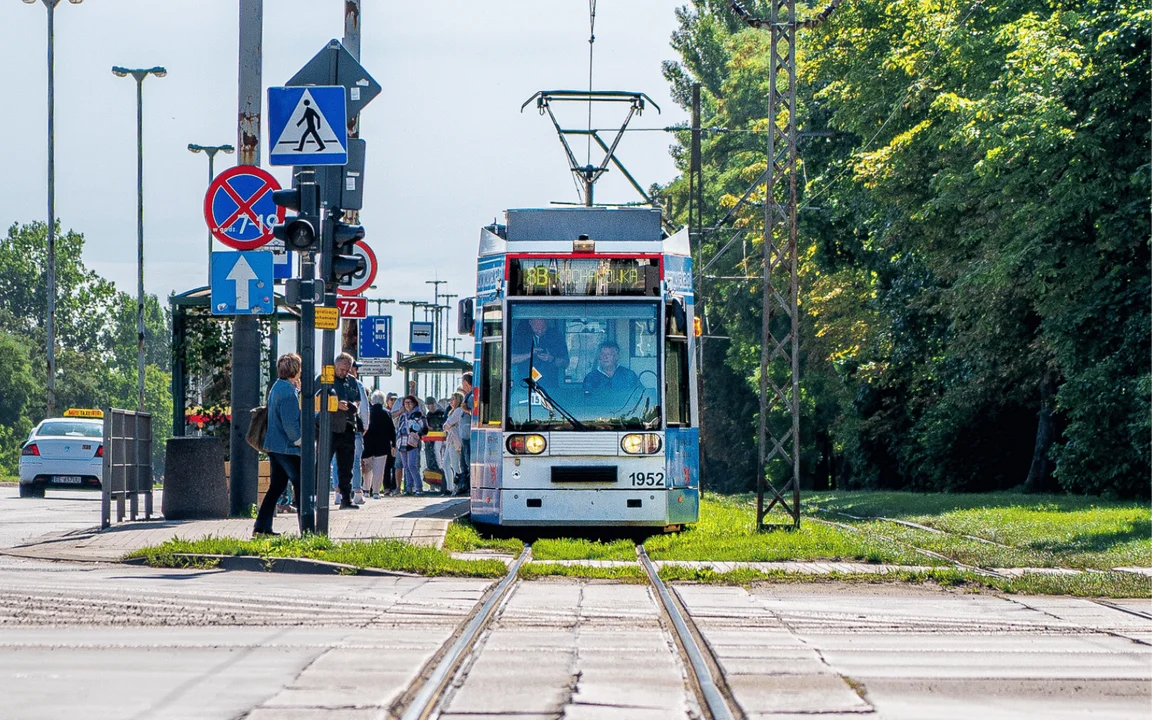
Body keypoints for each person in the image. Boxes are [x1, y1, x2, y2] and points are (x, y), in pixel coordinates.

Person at [255, 353, 302, 537]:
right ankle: (306, 528)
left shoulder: (278, 387)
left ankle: (262, 526)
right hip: (287, 448)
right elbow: (290, 423)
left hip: (273, 445)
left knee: (276, 486)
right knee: (300, 484)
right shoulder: (288, 392)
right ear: (295, 369)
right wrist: (300, 441)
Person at [325, 353, 361, 510]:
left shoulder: (352, 381)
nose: (344, 372)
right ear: (335, 365)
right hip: (330, 427)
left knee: (346, 465)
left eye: (347, 370)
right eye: (341, 369)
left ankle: (346, 499)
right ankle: (312, 497)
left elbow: (357, 400)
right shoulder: (326, 378)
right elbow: (318, 399)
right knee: (322, 463)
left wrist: (352, 405)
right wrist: (335, 404)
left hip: (348, 427)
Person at [332, 361, 370, 505]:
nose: (354, 370)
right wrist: (365, 426)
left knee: (337, 461)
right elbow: (364, 408)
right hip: (353, 427)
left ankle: (337, 492)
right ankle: (357, 492)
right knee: (354, 460)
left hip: (335, 426)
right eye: (355, 368)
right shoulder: (357, 384)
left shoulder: (332, 382)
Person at [510, 318, 569, 388]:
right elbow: (509, 360)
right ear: (530, 322)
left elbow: (566, 364)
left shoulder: (556, 336)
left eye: (543, 329)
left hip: (550, 387)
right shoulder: (520, 336)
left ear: (547, 321)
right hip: (523, 386)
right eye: (537, 329)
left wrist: (551, 359)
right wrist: (529, 354)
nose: (540, 331)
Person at [361, 390, 395, 499]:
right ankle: (376, 492)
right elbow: (391, 430)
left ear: (372, 400)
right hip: (382, 446)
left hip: (367, 445)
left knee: (367, 469)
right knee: (379, 470)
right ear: (383, 401)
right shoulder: (387, 413)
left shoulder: (368, 412)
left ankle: (366, 490)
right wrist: (393, 444)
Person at [396, 395, 426, 495]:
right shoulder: (403, 415)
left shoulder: (418, 414)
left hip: (412, 443)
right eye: (406, 403)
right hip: (402, 443)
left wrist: (417, 433)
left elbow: (424, 429)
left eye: (410, 403)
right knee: (406, 466)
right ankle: (408, 488)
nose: (408, 405)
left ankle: (418, 487)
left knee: (412, 465)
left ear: (414, 403)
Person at [441, 392, 466, 496]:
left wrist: (447, 425)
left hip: (455, 441)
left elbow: (447, 424)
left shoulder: (459, 411)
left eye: (453, 399)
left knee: (455, 465)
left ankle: (457, 487)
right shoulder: (452, 411)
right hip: (450, 440)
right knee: (445, 463)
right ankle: (450, 487)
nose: (451, 401)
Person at [458, 372, 474, 494]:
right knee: (464, 461)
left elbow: (475, 413)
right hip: (464, 434)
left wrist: (465, 409)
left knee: (468, 461)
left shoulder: (473, 396)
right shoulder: (467, 395)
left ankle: (470, 486)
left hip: (469, 435)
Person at [423, 396, 445, 475]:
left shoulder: (442, 412)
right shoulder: (428, 415)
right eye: (427, 405)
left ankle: (441, 467)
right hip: (432, 437)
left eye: (430, 404)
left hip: (441, 436)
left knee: (439, 451)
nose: (428, 407)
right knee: (433, 452)